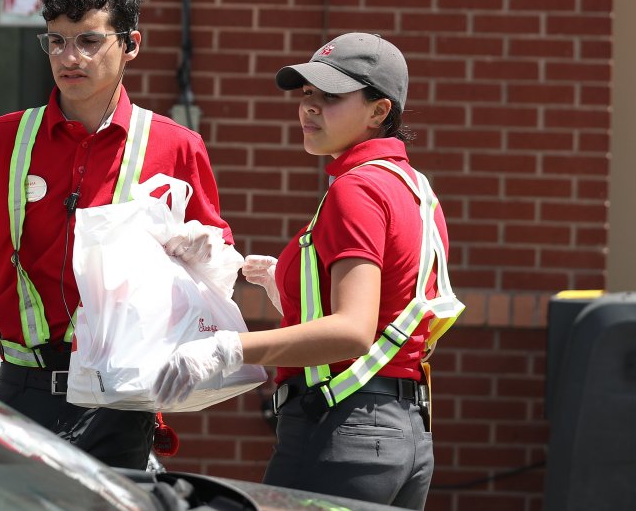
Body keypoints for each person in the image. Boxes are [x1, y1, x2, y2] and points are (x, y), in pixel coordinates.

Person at [0, 0, 232, 469]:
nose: (70, 57)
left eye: (89, 41)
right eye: (56, 40)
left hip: (121, 393)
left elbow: (216, 273)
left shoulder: (175, 146)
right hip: (22, 384)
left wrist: (207, 254)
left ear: (131, 45)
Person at [152, 33, 464, 509]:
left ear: (380, 111)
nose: (310, 109)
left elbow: (353, 329)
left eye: (332, 97)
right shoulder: (413, 188)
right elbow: (387, 311)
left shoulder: (355, 190)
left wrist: (227, 348)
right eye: (307, 94)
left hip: (342, 430)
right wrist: (288, 286)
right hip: (404, 434)